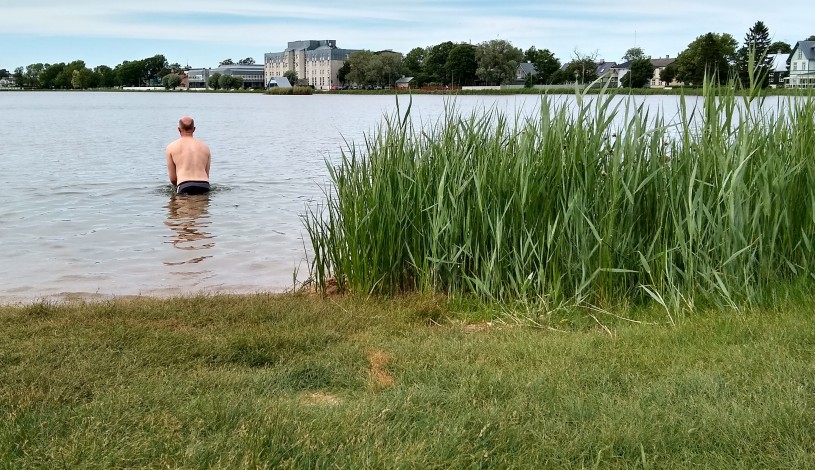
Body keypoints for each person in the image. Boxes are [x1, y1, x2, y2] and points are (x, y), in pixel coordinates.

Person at [165, 116, 211, 195]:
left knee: (175, 206)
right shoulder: (205, 147)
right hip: (204, 185)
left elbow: (173, 178)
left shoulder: (171, 147)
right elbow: (206, 174)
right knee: (201, 207)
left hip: (184, 185)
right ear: (194, 129)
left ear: (179, 129)